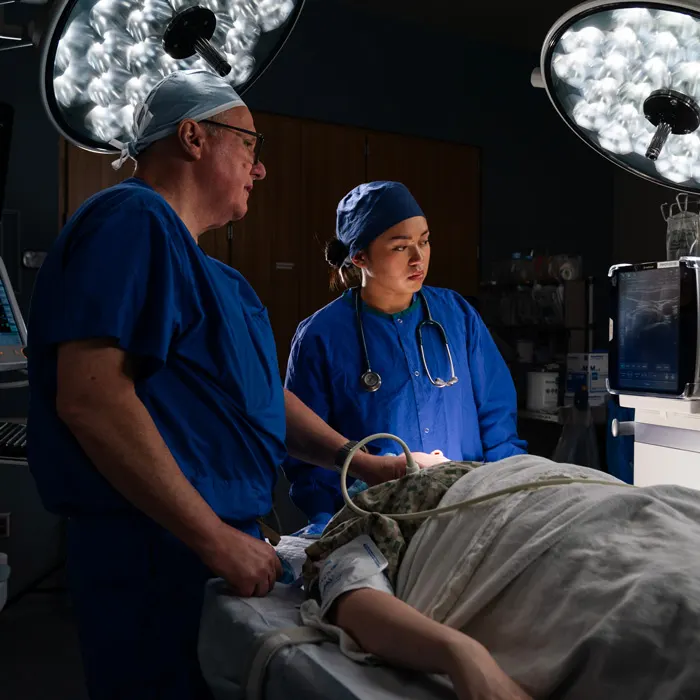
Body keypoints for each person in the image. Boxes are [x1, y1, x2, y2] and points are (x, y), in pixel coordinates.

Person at [26, 71, 415, 700]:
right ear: (192, 137)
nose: (259, 170)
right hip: (157, 547)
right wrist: (210, 536)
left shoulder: (218, 280)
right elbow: (92, 398)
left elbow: (260, 398)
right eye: (251, 147)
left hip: (217, 544)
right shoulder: (132, 219)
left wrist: (358, 461)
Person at [299, 454, 700, 700]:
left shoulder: (504, 473)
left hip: (594, 501)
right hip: (526, 547)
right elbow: (350, 595)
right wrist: (466, 657)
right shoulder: (365, 519)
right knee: (661, 606)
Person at [283, 181, 526, 527]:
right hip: (372, 519)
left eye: (424, 241)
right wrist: (325, 522)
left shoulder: (456, 316)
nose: (418, 258)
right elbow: (308, 451)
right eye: (400, 247)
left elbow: (497, 418)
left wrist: (508, 492)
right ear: (360, 257)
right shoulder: (321, 337)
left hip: (466, 509)